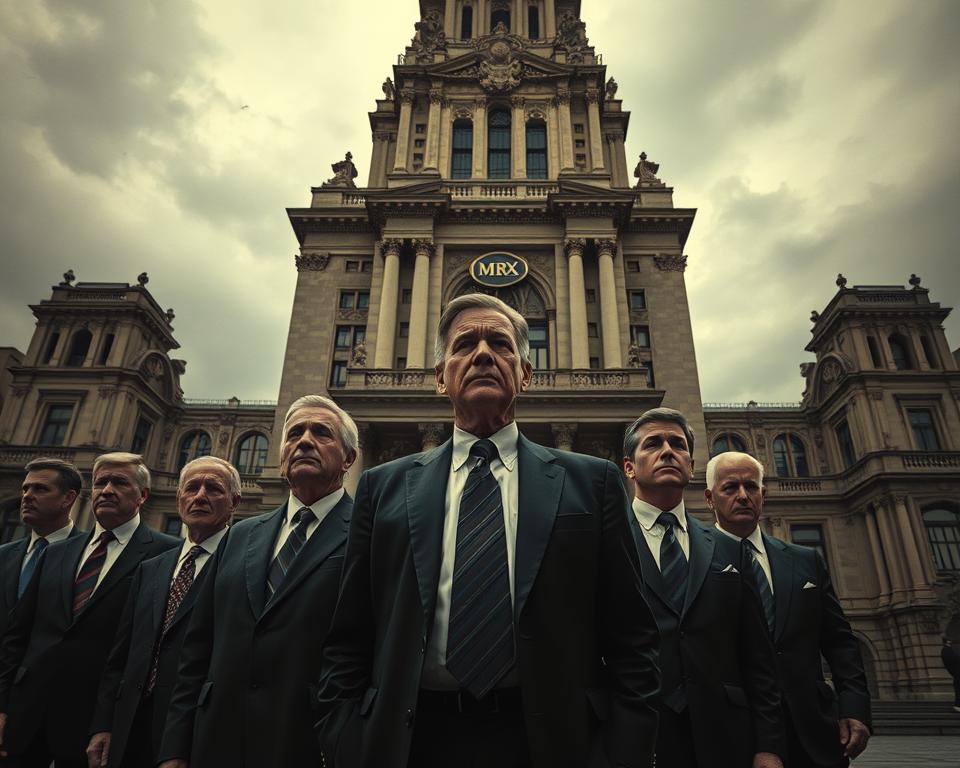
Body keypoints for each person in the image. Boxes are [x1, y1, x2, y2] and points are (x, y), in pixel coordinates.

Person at [316, 293, 660, 768]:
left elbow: (633, 638)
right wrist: (347, 742)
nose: (481, 354)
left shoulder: (593, 482)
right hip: (413, 741)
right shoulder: (382, 486)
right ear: (440, 378)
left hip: (552, 742)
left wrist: (622, 750)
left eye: (499, 343)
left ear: (525, 373)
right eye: (464, 345)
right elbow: (350, 635)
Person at [156, 395, 357, 768]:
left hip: (309, 744)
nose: (305, 441)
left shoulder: (369, 532)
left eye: (321, 433)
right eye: (294, 433)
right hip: (216, 740)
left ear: (348, 459)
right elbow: (197, 649)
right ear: (281, 456)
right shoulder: (239, 536)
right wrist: (174, 747)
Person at [623, 408, 785, 768]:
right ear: (629, 467)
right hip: (637, 737)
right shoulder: (607, 541)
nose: (668, 451)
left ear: (691, 467)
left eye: (677, 444)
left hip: (726, 737)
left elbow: (757, 656)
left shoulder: (729, 548)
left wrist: (769, 746)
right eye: (653, 443)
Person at [0, 452, 180, 768]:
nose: (107, 490)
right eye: (101, 482)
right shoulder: (57, 551)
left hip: (96, 725)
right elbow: (18, 635)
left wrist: (109, 721)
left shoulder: (166, 553)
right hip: (26, 715)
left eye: (119, 482)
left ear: (143, 496)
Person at [706, 451, 872, 767]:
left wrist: (854, 707)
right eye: (730, 488)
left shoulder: (806, 560)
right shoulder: (694, 562)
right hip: (734, 732)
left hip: (813, 731)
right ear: (710, 498)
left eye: (751, 487)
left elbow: (839, 641)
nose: (743, 496)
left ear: (763, 494)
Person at [86, 457, 238, 768]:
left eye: (213, 488)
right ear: (178, 497)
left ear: (235, 501)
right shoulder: (151, 568)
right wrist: (103, 724)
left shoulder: (243, 566)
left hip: (197, 731)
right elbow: (121, 656)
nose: (200, 496)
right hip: (129, 728)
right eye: (192, 488)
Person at [0, 458, 86, 638]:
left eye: (40, 489)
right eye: (26, 488)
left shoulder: (90, 555)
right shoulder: (4, 555)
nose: (27, 496)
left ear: (68, 498)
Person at [941, 638, 960, 712]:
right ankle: (958, 704)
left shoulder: (948, 650)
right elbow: (953, 662)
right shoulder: (947, 650)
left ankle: (958, 704)